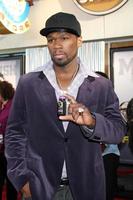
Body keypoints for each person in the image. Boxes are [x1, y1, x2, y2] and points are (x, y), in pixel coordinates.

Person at [5, 12, 126, 200]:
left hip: (87, 187)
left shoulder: (101, 85)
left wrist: (92, 122)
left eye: (64, 38)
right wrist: (21, 179)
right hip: (40, 187)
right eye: (51, 39)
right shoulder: (28, 83)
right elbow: (14, 133)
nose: (57, 45)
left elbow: (118, 131)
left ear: (79, 41)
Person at [95, 71, 120, 200]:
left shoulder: (111, 103)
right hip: (90, 156)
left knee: (106, 191)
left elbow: (117, 130)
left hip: (108, 154)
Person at [0, 80, 18, 200]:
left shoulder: (11, 107)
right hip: (4, 150)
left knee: (11, 184)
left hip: (10, 152)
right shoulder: (4, 106)